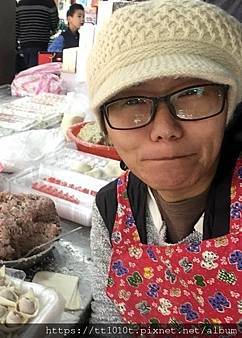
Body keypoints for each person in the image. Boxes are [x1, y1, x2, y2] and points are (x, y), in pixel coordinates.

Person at [86, 0, 242, 324]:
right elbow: (108, 321)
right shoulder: (111, 210)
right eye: (131, 101)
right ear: (105, 126)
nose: (164, 131)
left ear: (229, 105)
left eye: (194, 92)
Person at [16, 0, 59, 70]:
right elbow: (54, 23)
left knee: (27, 73)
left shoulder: (20, 4)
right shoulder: (49, 3)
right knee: (38, 73)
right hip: (41, 44)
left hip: (24, 44)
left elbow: (16, 26)